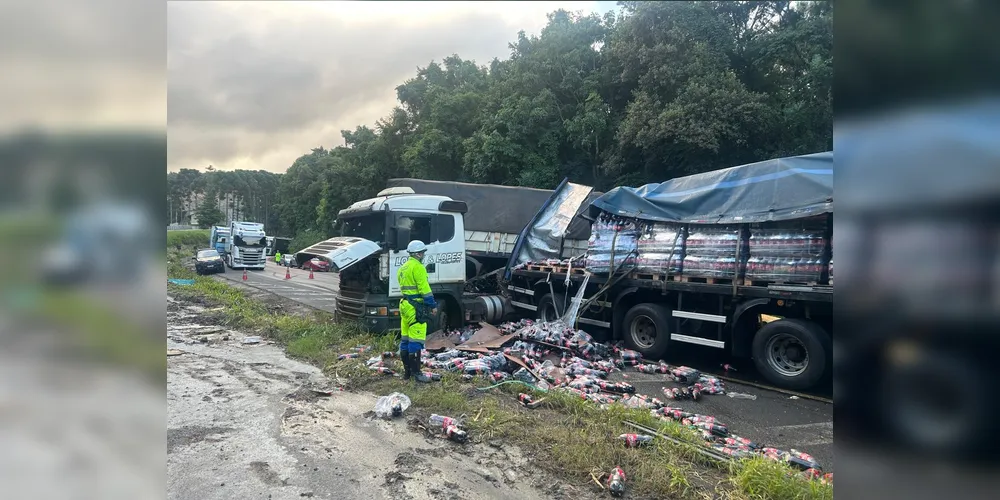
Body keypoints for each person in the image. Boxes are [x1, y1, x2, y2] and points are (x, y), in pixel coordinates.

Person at [397, 240, 437, 382]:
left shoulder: (403, 267)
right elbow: (425, 290)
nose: (423, 255)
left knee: (405, 340)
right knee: (416, 340)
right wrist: (432, 306)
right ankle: (417, 374)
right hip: (416, 307)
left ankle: (407, 373)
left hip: (405, 305)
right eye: (423, 253)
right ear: (419, 254)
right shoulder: (418, 267)